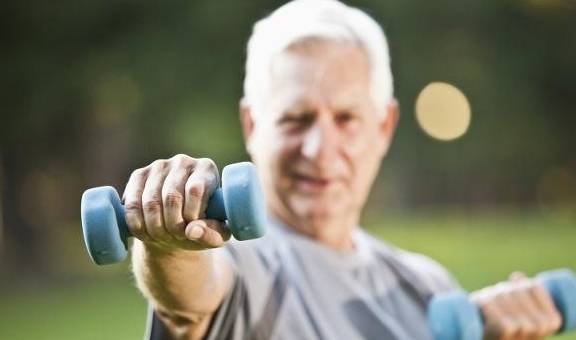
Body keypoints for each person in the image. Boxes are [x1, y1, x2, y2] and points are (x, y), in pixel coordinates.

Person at [124, 1, 562, 339]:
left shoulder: (427, 285)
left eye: (346, 119)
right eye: (296, 119)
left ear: (384, 126)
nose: (319, 149)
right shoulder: (242, 263)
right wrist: (168, 248)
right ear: (252, 125)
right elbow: (189, 300)